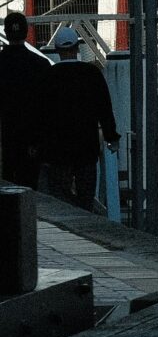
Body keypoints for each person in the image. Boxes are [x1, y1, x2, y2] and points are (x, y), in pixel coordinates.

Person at [39, 27, 117, 212]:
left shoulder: (49, 77)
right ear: (77, 48)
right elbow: (104, 108)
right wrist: (111, 136)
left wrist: (39, 145)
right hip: (86, 147)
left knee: (60, 196)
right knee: (86, 196)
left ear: (58, 51)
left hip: (58, 150)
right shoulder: (91, 74)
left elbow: (41, 114)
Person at [0, 13, 51, 189]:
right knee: (29, 187)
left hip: (4, 136)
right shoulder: (41, 65)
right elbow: (45, 107)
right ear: (27, 32)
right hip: (31, 139)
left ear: (6, 32)